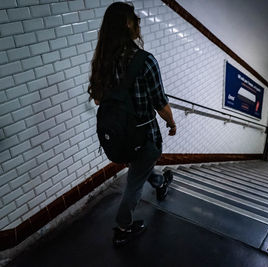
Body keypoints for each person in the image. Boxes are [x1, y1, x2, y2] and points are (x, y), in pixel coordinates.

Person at [87, 2, 177, 247]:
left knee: (141, 168)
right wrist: (171, 123)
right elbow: (160, 104)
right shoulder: (145, 61)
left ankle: (160, 182)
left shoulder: (102, 61)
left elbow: (97, 99)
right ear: (128, 25)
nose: (139, 23)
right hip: (143, 136)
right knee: (134, 183)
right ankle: (123, 227)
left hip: (116, 135)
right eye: (135, 19)